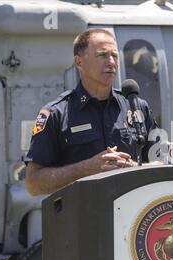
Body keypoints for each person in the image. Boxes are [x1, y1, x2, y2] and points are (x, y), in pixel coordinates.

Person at [25, 28, 159, 196]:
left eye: (114, 56)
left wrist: (133, 168)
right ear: (79, 62)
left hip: (133, 217)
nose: (111, 62)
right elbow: (33, 184)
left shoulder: (137, 107)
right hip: (81, 218)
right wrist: (87, 168)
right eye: (102, 55)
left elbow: (163, 164)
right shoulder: (56, 114)